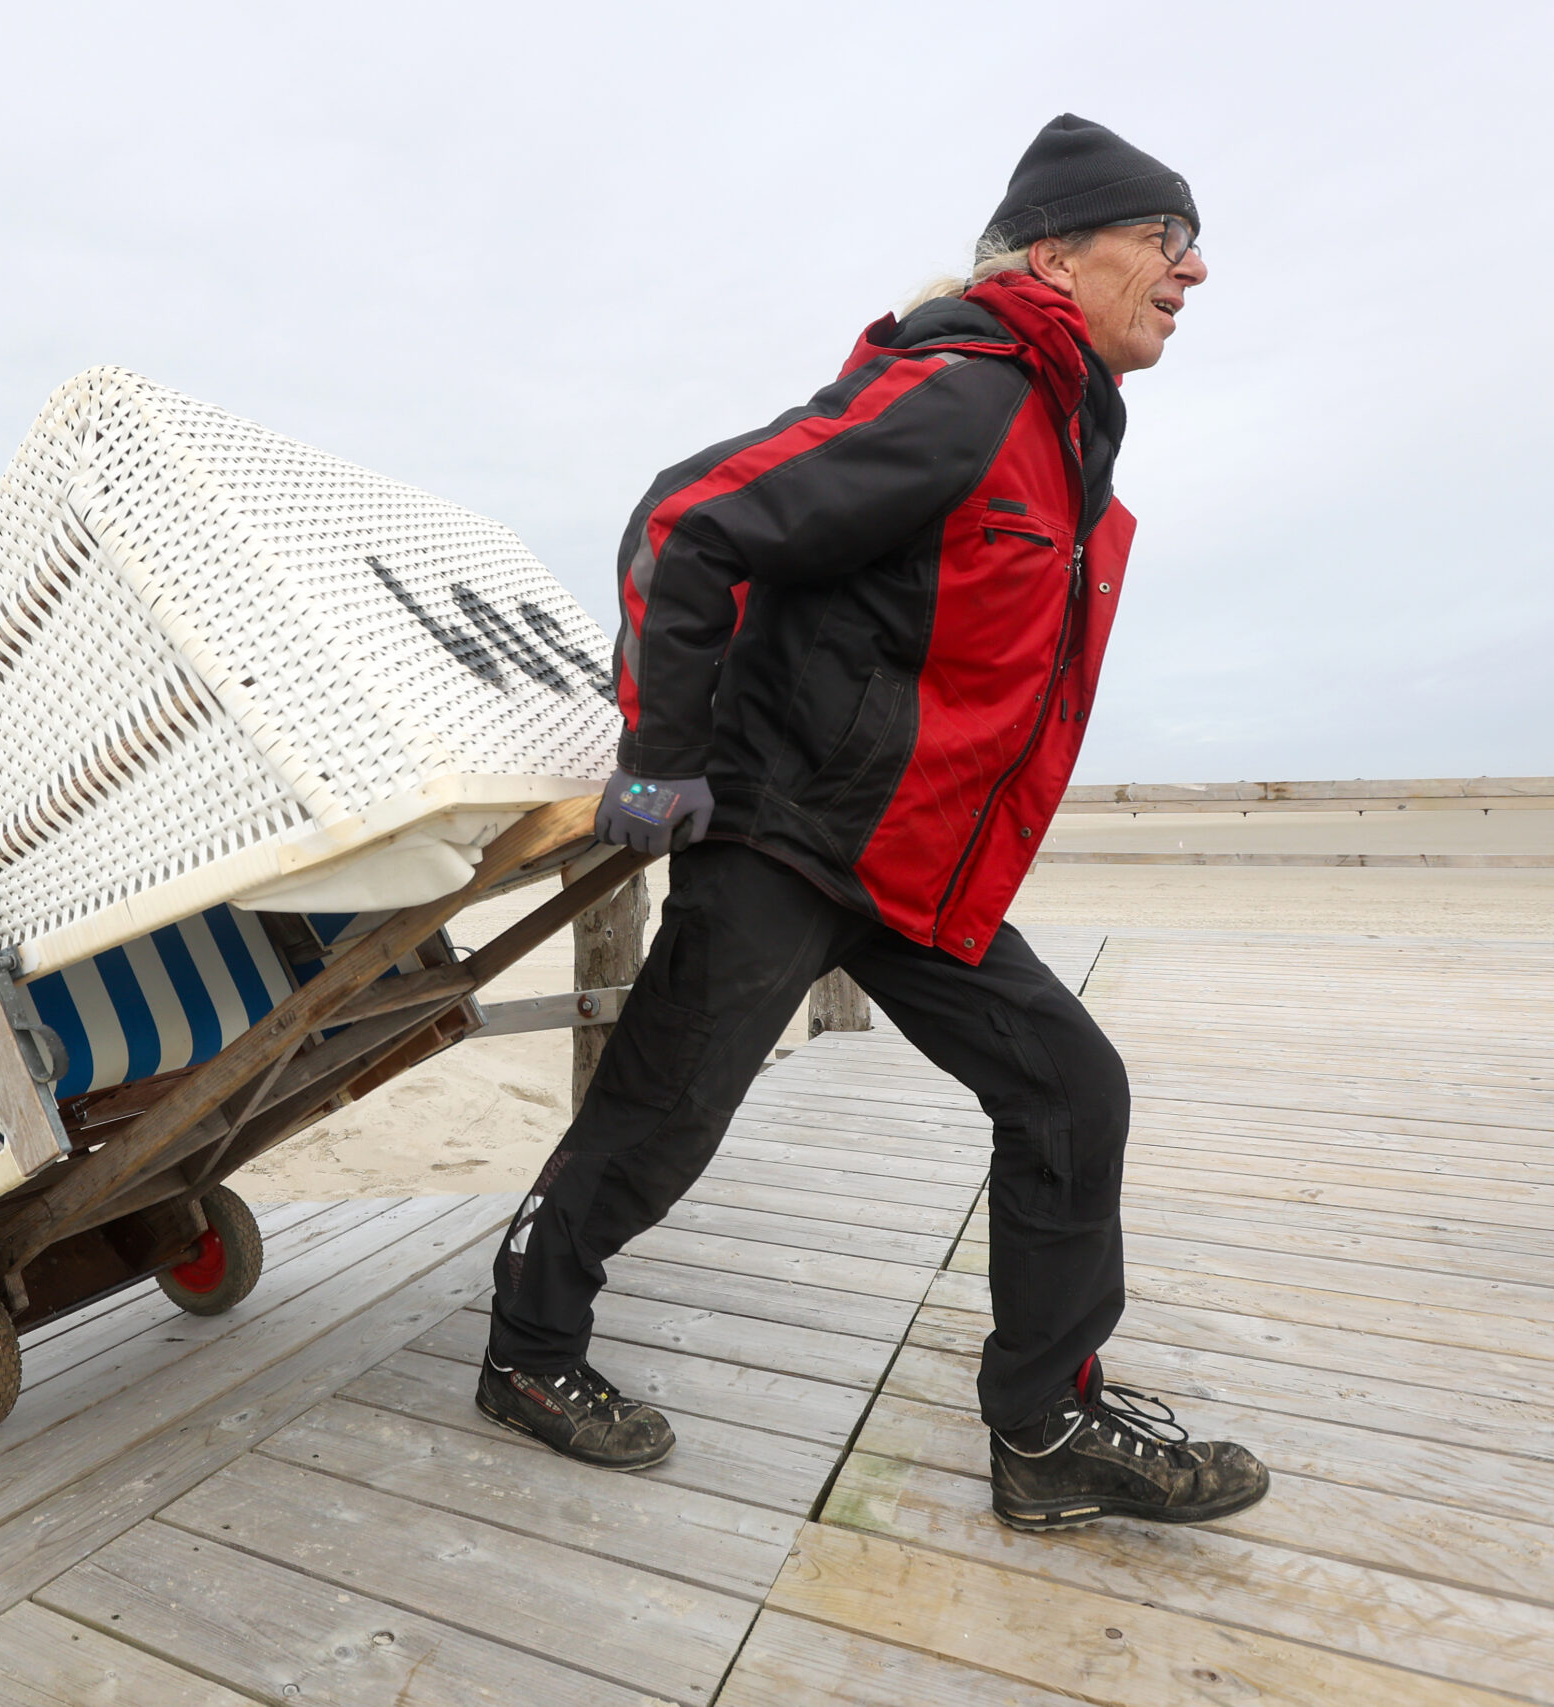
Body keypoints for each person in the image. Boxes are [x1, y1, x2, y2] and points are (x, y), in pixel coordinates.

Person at [478, 115, 1270, 1533]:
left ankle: (1047, 1423)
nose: (1192, 269)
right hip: (788, 832)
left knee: (1069, 1089)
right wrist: (662, 764)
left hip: (908, 862)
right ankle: (531, 1353)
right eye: (1163, 237)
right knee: (662, 1119)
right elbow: (689, 520)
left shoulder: (1056, 427)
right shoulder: (965, 393)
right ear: (1054, 251)